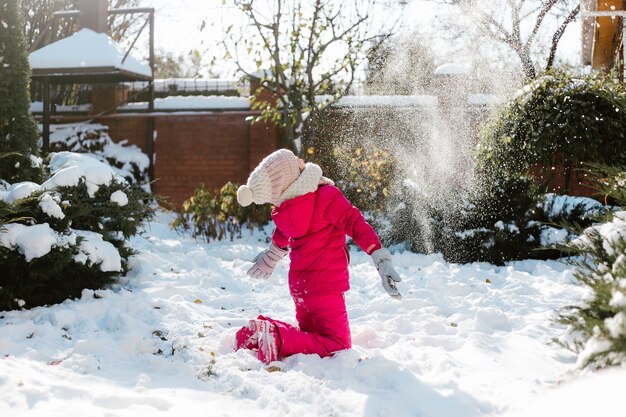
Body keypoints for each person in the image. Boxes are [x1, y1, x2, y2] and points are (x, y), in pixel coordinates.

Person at [234, 148, 402, 364]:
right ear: (291, 175)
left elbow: (282, 235)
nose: (300, 159)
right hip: (326, 287)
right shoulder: (325, 196)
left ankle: (260, 330)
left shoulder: (287, 209)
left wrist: (271, 256)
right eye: (295, 160)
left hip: (300, 287)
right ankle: (274, 334)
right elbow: (354, 222)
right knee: (337, 345)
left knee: (311, 339)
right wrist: (379, 256)